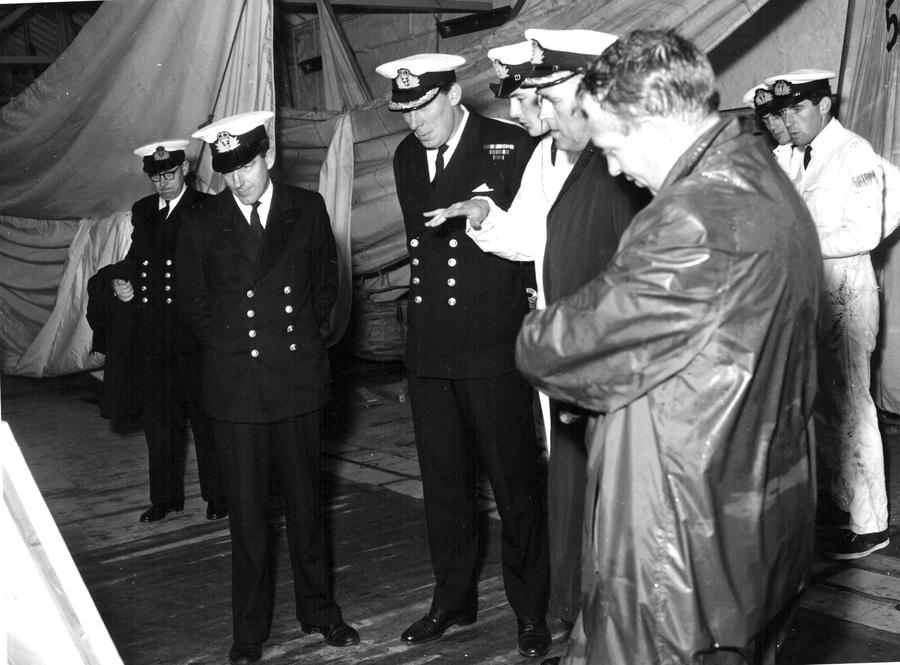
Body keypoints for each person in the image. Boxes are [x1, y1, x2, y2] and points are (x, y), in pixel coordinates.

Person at [517, 29, 822, 665]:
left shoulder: (691, 218)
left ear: (651, 123)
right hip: (749, 516)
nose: (612, 168)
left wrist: (542, 331)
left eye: (611, 145)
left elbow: (558, 348)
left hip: (679, 539)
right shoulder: (765, 179)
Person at [425, 29, 648, 630]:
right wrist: (482, 216)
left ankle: (609, 627)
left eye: (542, 101)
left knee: (616, 494)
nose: (536, 117)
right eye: (533, 102)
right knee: (573, 486)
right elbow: (529, 237)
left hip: (610, 355)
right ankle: (579, 618)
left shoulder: (621, 163)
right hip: (564, 351)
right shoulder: (548, 157)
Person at [375, 53, 551, 658]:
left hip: (493, 341)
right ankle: (452, 599)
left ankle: (530, 609)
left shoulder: (510, 146)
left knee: (514, 484)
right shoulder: (406, 156)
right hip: (430, 347)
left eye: (425, 107)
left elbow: (533, 248)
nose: (416, 123)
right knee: (444, 486)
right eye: (405, 112)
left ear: (453, 94)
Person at [177, 111, 359, 665]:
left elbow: (326, 285)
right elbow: (193, 303)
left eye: (247, 166)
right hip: (237, 387)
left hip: (297, 381)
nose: (238, 179)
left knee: (307, 506)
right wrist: (237, 347)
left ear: (269, 156)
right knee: (248, 516)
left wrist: (300, 341)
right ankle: (249, 630)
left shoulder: (307, 208)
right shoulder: (201, 221)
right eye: (228, 169)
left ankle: (320, 611)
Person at [766, 68, 889, 559]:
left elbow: (865, 232)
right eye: (785, 112)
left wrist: (799, 242)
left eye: (798, 109)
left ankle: (870, 524)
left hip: (847, 296)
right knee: (821, 406)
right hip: (811, 294)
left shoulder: (853, 152)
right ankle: (839, 510)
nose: (789, 121)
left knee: (852, 408)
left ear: (824, 105)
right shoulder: (799, 157)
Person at [109, 139, 226, 523]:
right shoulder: (144, 211)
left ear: (184, 170)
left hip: (193, 336)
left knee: (206, 420)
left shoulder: (206, 207)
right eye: (156, 177)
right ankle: (165, 498)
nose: (163, 182)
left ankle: (218, 495)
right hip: (154, 336)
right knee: (158, 424)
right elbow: (135, 257)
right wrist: (121, 280)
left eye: (170, 174)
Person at [742, 82, 794, 170]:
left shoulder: (811, 151)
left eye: (776, 116)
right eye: (766, 120)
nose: (771, 126)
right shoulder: (779, 157)